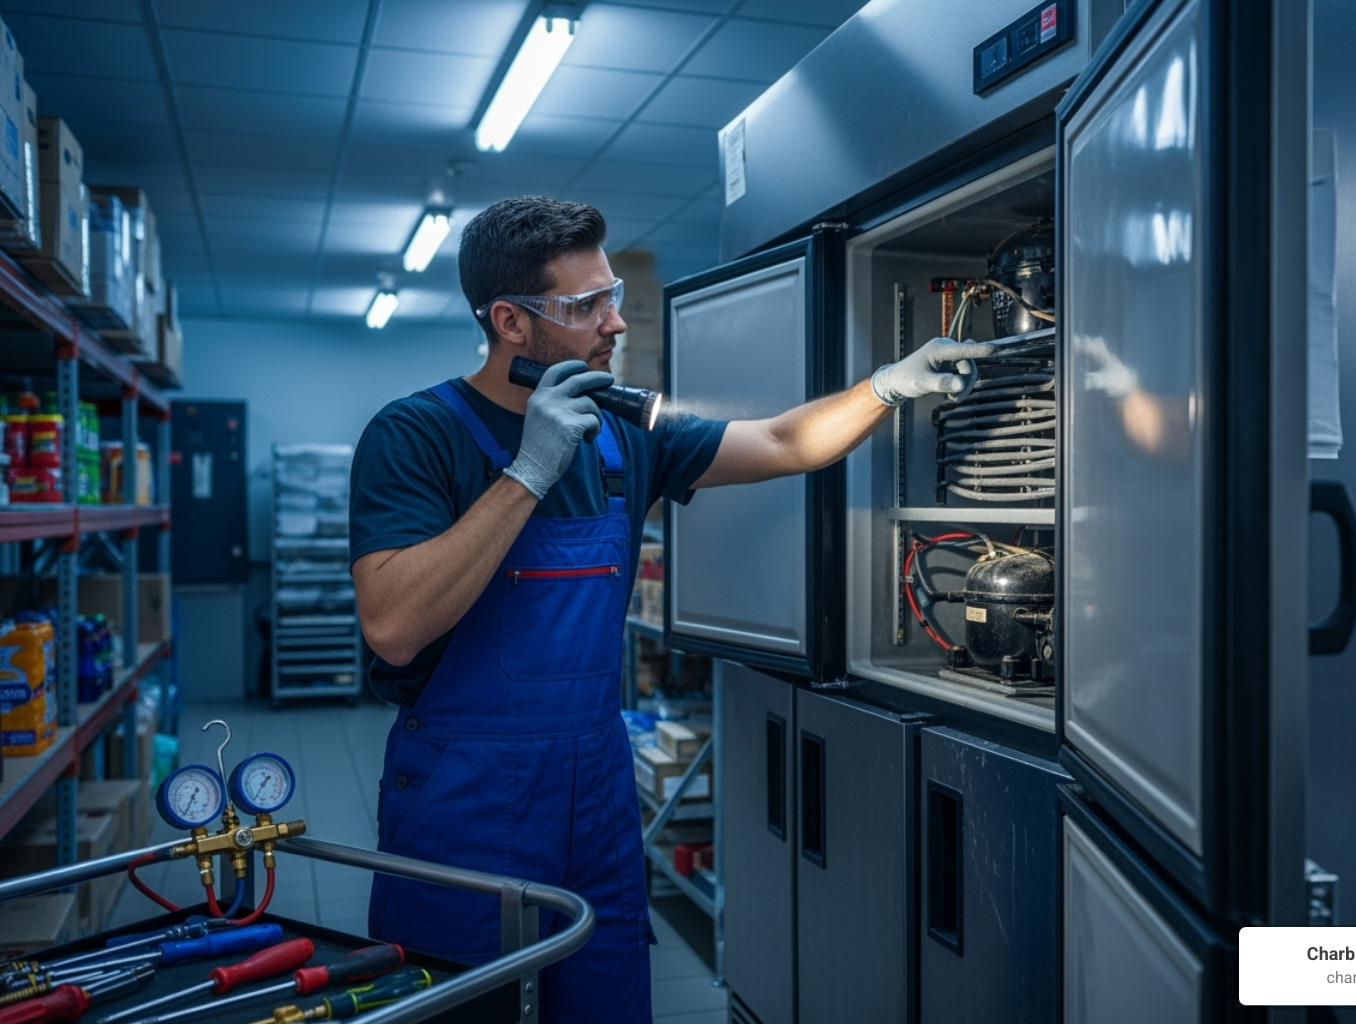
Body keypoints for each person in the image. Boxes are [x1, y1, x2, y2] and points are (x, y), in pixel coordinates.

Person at [349, 195, 993, 1023]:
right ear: (509, 321)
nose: (615, 323)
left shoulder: (624, 437)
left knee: (606, 1001)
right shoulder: (414, 435)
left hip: (593, 794)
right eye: (586, 307)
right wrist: (527, 474)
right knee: (464, 1005)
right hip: (462, 800)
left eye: (611, 294)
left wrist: (885, 388)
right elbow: (394, 628)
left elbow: (785, 443)